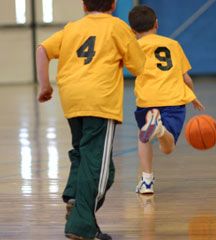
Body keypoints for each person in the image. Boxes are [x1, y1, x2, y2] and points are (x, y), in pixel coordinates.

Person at [36, 0, 145, 239]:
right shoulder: (118, 27)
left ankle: (76, 197)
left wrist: (45, 85)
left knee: (87, 155)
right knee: (97, 169)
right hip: (100, 101)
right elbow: (138, 67)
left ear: (84, 6)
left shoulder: (72, 27)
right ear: (114, 5)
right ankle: (81, 226)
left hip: (72, 99)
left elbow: (42, 49)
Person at [128, 5, 204, 195]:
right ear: (157, 24)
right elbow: (186, 78)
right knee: (167, 148)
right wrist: (193, 96)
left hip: (147, 100)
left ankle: (146, 181)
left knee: (143, 137)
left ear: (132, 30)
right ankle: (160, 128)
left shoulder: (134, 47)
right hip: (173, 99)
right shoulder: (173, 44)